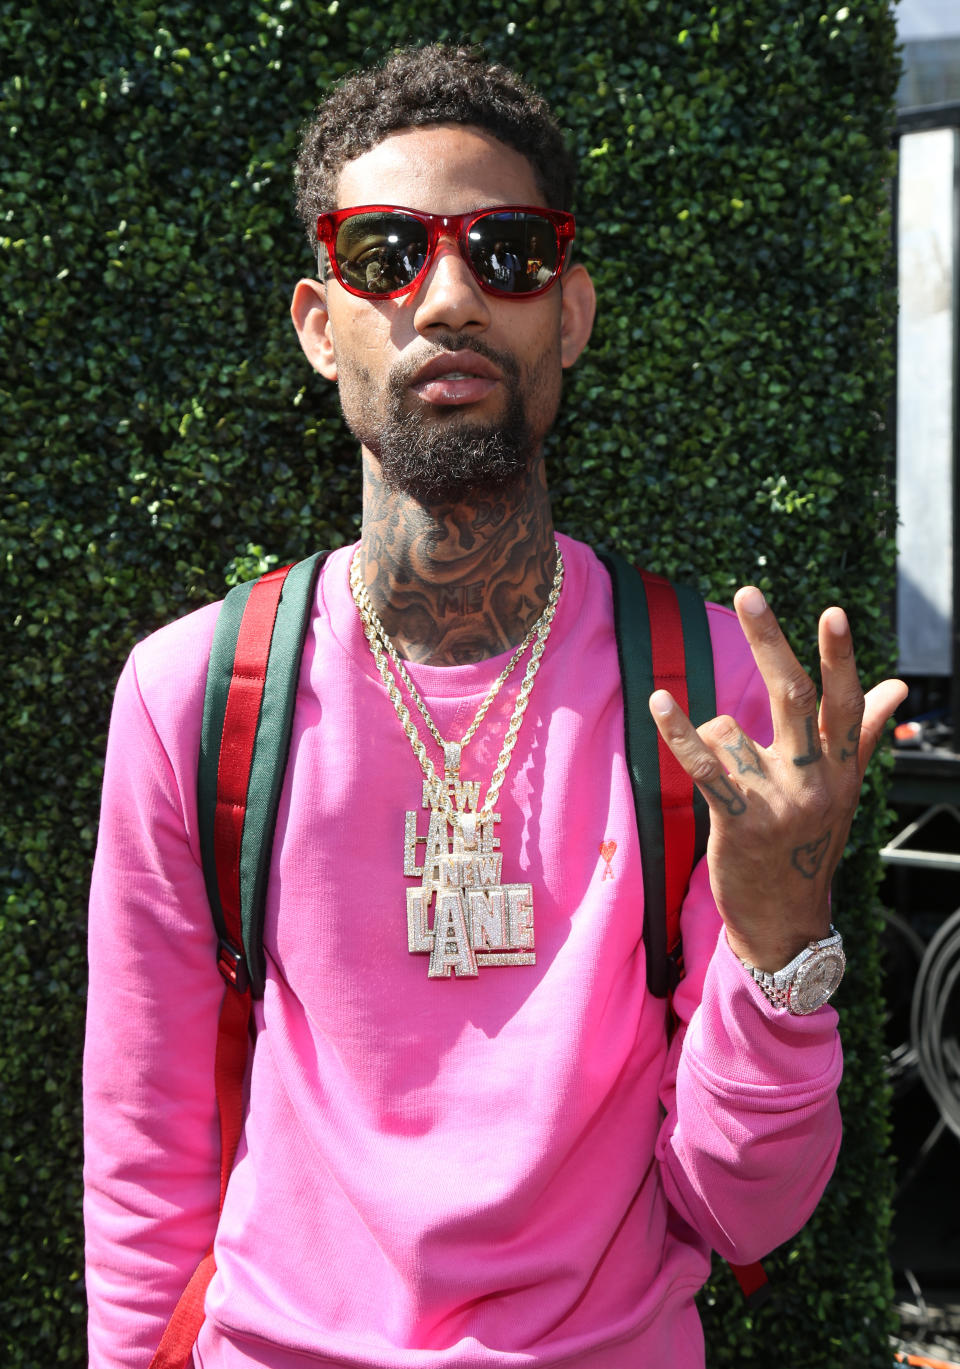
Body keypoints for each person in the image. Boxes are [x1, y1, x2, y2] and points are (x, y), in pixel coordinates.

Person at [83, 43, 906, 1369]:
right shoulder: (192, 694)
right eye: (387, 252)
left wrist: (778, 943)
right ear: (317, 320)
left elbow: (742, 1201)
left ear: (570, 316)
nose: (449, 296)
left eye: (508, 252)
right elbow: (144, 1163)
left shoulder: (712, 698)